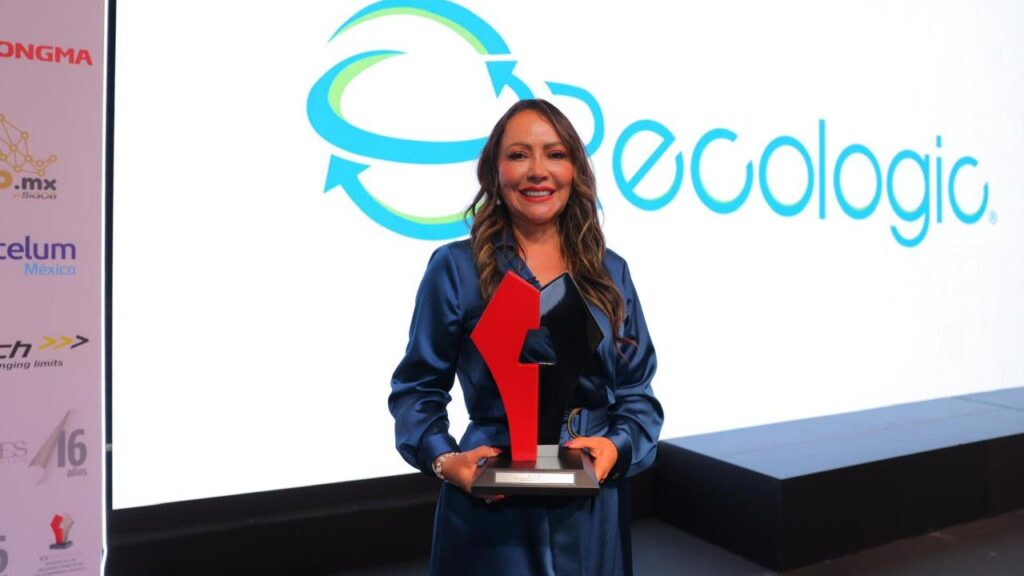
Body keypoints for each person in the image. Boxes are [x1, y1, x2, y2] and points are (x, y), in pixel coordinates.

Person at [389, 99, 663, 576]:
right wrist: (446, 460)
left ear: (574, 170)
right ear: (495, 172)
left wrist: (617, 447)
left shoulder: (610, 272)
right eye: (518, 155)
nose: (538, 170)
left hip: (592, 505)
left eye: (555, 154)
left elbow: (638, 394)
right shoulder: (456, 268)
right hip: (493, 506)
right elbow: (417, 390)